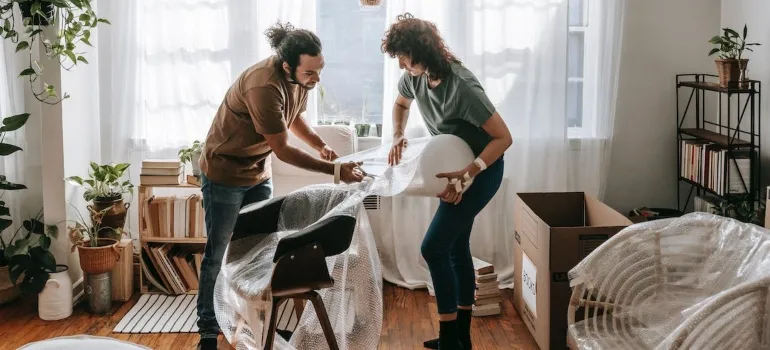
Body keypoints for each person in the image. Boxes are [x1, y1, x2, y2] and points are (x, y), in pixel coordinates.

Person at [195, 22, 364, 350]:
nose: (317, 79)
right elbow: (283, 149)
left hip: (258, 173)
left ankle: (260, 324)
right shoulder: (263, 85)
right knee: (220, 253)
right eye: (310, 73)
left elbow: (294, 116)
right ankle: (208, 331)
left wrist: (319, 144)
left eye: (320, 70)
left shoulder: (300, 80)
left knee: (262, 248)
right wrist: (335, 170)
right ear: (287, 66)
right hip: (224, 174)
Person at [382, 13, 513, 350]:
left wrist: (468, 174)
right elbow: (400, 104)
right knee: (454, 247)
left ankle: (450, 340)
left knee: (433, 247)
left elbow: (504, 138)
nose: (401, 65)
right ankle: (459, 337)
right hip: (454, 167)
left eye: (403, 57)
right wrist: (397, 134)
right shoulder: (414, 77)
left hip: (482, 170)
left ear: (421, 52)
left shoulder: (462, 86)